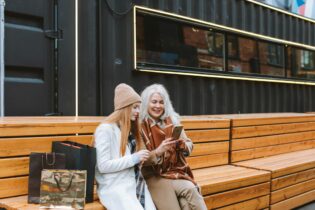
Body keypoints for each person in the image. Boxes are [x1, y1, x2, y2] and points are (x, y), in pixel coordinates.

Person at [140, 84, 207, 210]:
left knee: (190, 193)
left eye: (161, 102)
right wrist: (159, 151)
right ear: (145, 103)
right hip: (153, 176)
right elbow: (140, 159)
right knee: (181, 205)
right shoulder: (140, 127)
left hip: (174, 172)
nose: (158, 106)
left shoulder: (172, 121)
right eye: (154, 102)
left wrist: (182, 145)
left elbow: (189, 144)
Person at [94, 83, 156, 210]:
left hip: (133, 182)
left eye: (139, 108)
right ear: (124, 108)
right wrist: (134, 158)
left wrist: (139, 160)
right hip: (114, 186)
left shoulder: (128, 129)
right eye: (135, 107)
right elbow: (103, 166)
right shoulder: (105, 130)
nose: (138, 112)